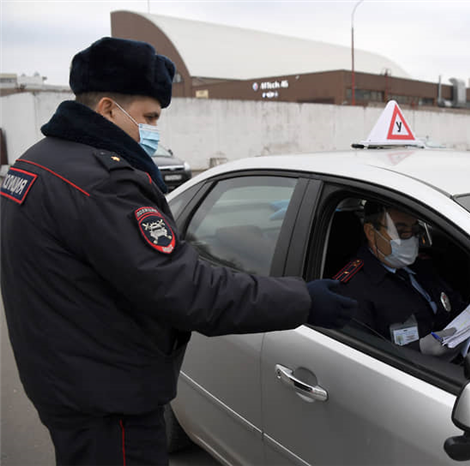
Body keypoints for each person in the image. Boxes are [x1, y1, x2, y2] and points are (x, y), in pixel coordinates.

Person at [0, 37, 356, 466]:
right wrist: (303, 299)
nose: (153, 129)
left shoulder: (36, 162)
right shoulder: (104, 184)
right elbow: (187, 291)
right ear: (109, 109)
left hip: (65, 379)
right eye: (149, 116)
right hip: (109, 401)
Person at [333, 201, 465, 357]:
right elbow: (360, 356)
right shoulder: (352, 288)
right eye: (401, 232)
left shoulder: (421, 266)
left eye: (415, 230)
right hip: (414, 374)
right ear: (371, 232)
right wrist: (419, 349)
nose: (410, 238)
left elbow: (453, 303)